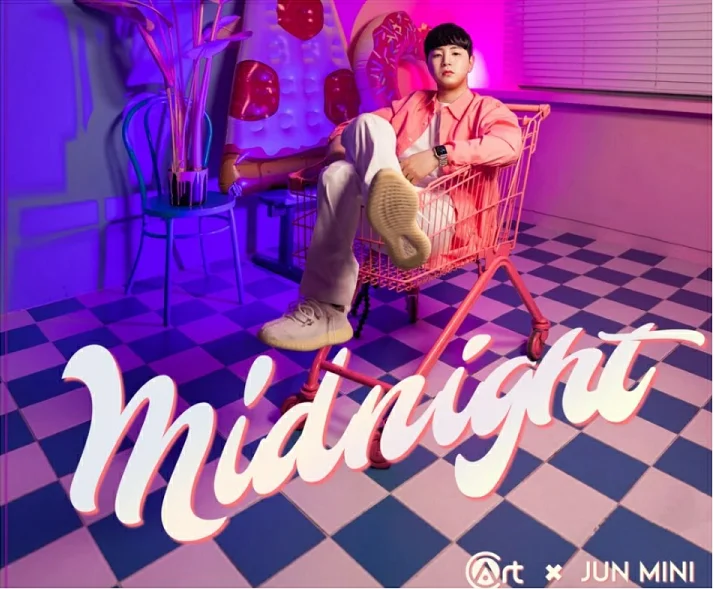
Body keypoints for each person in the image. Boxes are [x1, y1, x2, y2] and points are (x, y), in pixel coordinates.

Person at [258, 23, 523, 352]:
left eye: (456, 54)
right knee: (344, 161)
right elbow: (348, 129)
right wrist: (343, 149)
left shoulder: (487, 109)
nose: (446, 61)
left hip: (440, 221)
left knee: (342, 172)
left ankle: (332, 302)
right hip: (384, 221)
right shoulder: (413, 103)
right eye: (437, 55)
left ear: (470, 62)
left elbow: (509, 145)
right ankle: (329, 309)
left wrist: (439, 154)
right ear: (429, 64)